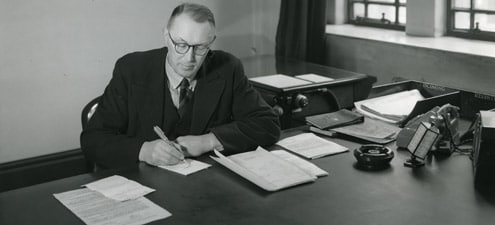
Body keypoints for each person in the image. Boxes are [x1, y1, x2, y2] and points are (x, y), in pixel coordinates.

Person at [80, 3, 281, 169]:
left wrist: (208, 141)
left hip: (203, 190)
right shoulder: (131, 69)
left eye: (201, 47)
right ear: (166, 37)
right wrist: (144, 150)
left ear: (211, 42)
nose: (189, 58)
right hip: (143, 185)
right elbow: (92, 139)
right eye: (181, 45)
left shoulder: (228, 68)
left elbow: (268, 124)